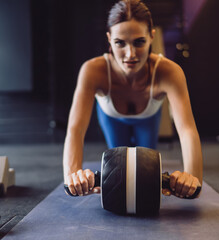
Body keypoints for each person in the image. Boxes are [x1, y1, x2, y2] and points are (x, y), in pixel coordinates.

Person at [63, 0, 203, 199]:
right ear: (109, 39)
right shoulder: (93, 71)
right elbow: (75, 130)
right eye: (120, 43)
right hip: (112, 119)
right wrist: (72, 178)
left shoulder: (169, 72)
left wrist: (193, 180)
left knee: (146, 172)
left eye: (139, 42)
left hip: (148, 119)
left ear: (151, 37)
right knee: (117, 171)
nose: (130, 54)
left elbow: (187, 130)